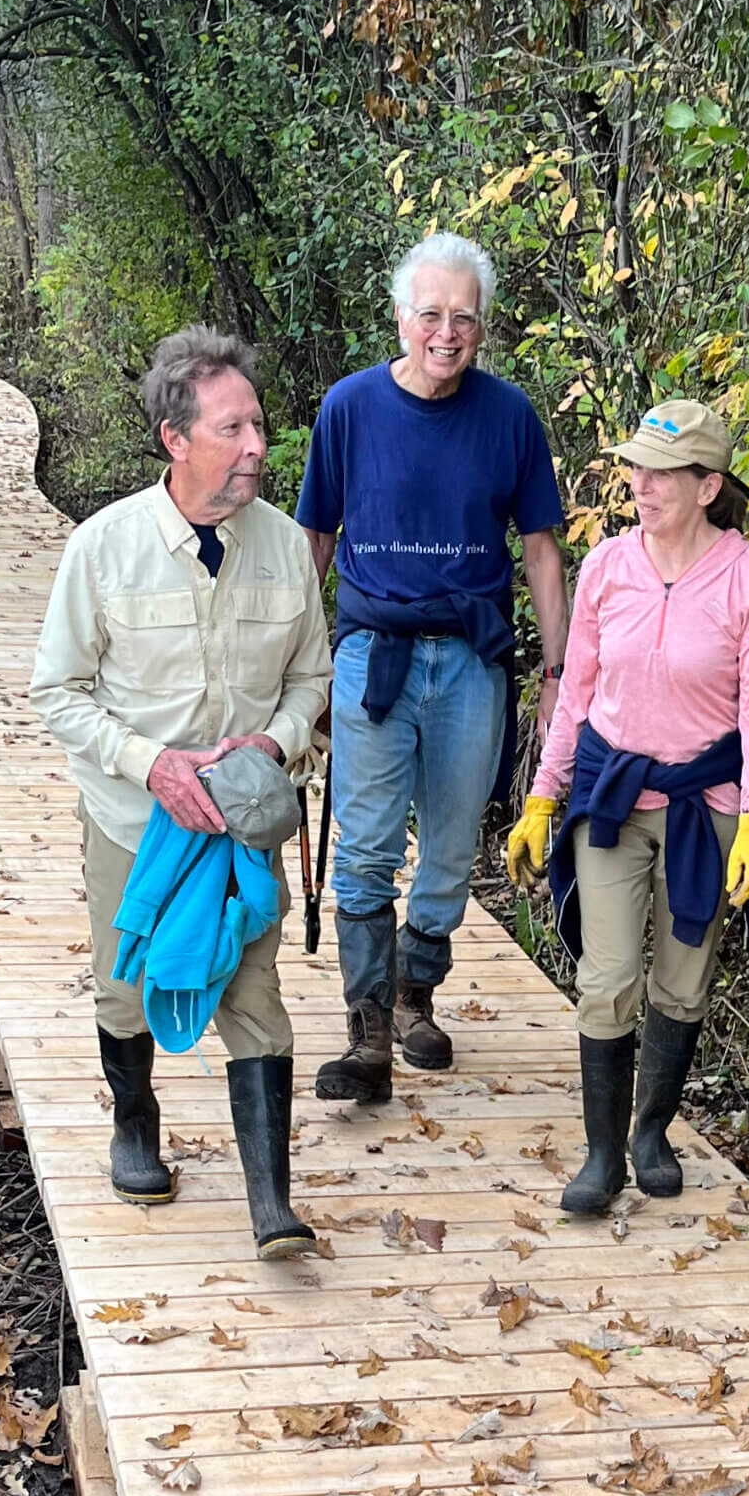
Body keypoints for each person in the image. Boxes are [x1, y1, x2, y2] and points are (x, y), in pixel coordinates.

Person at [29, 326, 332, 1260]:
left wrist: (274, 744)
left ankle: (271, 1201)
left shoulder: (284, 548)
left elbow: (312, 680)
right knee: (128, 987)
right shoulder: (105, 548)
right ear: (176, 438)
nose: (256, 447)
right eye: (234, 429)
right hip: (136, 819)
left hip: (245, 821)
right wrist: (150, 763)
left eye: (259, 427)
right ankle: (133, 1123)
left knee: (253, 990)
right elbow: (56, 692)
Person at [295, 233, 569, 1104]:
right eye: (431, 315)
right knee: (367, 849)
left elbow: (540, 551)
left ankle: (418, 997)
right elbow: (315, 539)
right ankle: (368, 1029)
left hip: (471, 664)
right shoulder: (348, 408)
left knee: (451, 854)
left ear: (481, 326)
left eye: (464, 318)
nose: (446, 333)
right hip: (373, 656)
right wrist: (297, 660)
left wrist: (558, 673)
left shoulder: (509, 416)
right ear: (401, 317)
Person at [505, 399, 749, 1216]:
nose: (641, 484)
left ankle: (650, 1131)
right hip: (612, 797)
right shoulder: (606, 567)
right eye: (635, 468)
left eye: (661, 472)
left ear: (708, 487)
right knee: (608, 977)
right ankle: (602, 1157)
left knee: (682, 981)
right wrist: (540, 797)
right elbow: (576, 696)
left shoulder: (748, 578)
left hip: (710, 805)